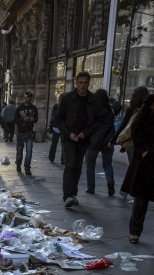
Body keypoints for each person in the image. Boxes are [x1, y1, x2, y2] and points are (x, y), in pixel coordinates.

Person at [53, 71, 109, 208]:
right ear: (76, 83)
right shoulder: (67, 98)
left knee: (78, 166)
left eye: (85, 83)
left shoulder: (94, 100)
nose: (82, 85)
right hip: (69, 137)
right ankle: (67, 196)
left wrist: (86, 133)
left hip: (84, 138)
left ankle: (73, 194)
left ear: (88, 84)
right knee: (70, 164)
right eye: (80, 83)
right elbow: (58, 119)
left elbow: (100, 120)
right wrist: (68, 133)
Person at [128, 73, 154, 245]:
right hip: (149, 159)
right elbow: (136, 126)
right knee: (142, 197)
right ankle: (135, 232)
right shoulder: (153, 100)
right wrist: (144, 150)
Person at [85, 89, 116, 196]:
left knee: (90, 165)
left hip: (94, 141)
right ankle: (110, 181)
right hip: (108, 141)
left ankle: (91, 187)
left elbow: (89, 125)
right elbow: (119, 106)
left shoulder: (93, 109)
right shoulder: (110, 110)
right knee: (107, 163)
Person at [13, 91, 38, 175]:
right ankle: (18, 164)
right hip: (21, 132)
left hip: (30, 132)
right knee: (19, 150)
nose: (29, 98)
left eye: (30, 97)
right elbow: (15, 120)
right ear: (24, 98)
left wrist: (33, 119)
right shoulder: (19, 109)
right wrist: (23, 119)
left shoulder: (34, 108)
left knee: (29, 151)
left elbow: (36, 119)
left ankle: (27, 167)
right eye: (27, 97)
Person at [48, 93, 65, 164]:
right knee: (63, 145)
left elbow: (52, 116)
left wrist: (50, 125)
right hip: (64, 128)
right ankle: (63, 160)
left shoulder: (56, 106)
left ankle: (51, 157)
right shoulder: (67, 106)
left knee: (54, 143)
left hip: (56, 127)